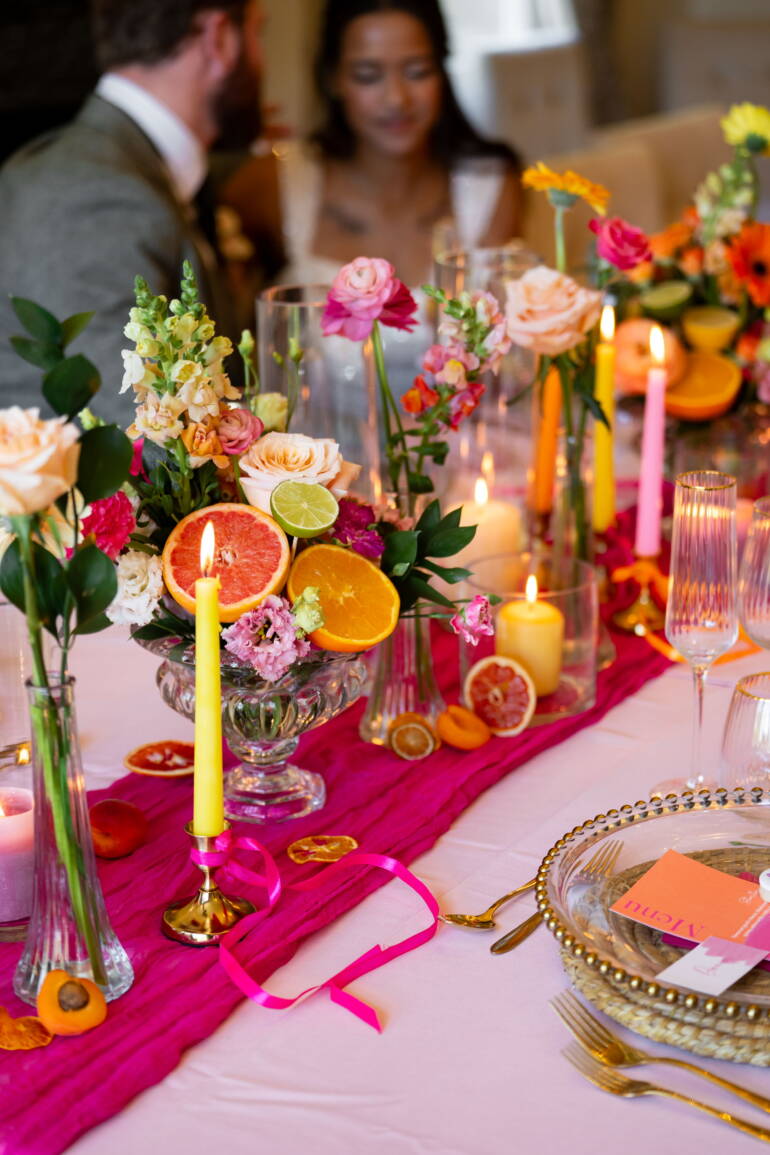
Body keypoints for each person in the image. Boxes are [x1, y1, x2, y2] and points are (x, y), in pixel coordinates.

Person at [0, 0, 264, 425]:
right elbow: (136, 433)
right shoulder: (95, 194)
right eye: (258, 33)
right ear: (219, 39)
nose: (259, 56)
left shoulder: (120, 167)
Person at [276, 0, 522, 288]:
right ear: (333, 79)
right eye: (367, 76)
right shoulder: (281, 182)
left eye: (417, 72)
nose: (396, 99)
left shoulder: (488, 184)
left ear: (442, 72)